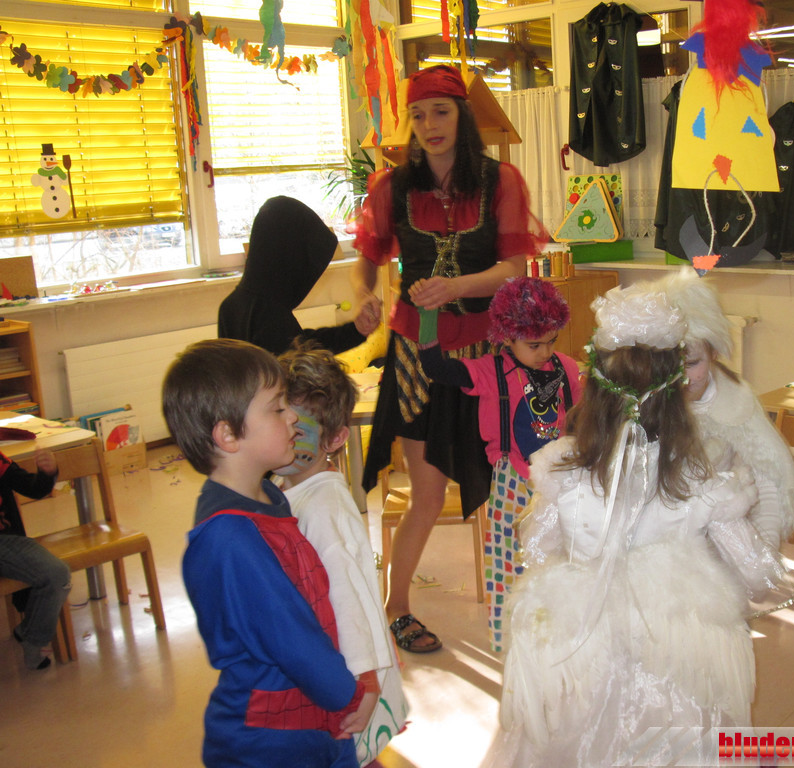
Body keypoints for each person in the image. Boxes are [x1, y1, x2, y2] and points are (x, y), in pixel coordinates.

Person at [484, 280, 788, 767]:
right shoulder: (700, 480)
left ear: (593, 391)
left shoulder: (565, 472)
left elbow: (537, 550)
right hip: (671, 666)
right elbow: (758, 575)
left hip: (584, 657)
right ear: (676, 397)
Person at [350, 64, 547, 652]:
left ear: (461, 116)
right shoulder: (391, 188)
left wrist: (457, 287)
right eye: (418, 114)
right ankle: (396, 608)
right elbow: (366, 262)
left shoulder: (499, 180)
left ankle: (524, 601)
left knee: (509, 486)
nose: (429, 124)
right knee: (428, 494)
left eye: (440, 111)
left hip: (487, 357)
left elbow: (514, 268)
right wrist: (364, 297)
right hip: (416, 358)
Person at [162, 338, 365, 768]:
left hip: (309, 718)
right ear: (228, 435)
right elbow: (291, 638)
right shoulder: (231, 538)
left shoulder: (267, 499)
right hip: (270, 740)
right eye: (277, 408)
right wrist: (350, 695)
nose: (292, 416)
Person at [417, 276, 582, 652]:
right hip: (512, 483)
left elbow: (578, 419)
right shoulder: (490, 371)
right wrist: (428, 316)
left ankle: (560, 637)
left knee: (559, 561)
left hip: (558, 483)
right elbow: (436, 368)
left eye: (551, 341)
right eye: (534, 344)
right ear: (507, 337)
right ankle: (513, 641)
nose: (544, 352)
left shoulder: (567, 369)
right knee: (510, 567)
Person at [275, 342, 409, 765]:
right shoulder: (289, 487)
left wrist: (365, 683)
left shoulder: (323, 510)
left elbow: (349, 599)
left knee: (354, 755)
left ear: (335, 439)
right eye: (276, 419)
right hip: (329, 666)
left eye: (298, 430)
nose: (282, 436)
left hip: (350, 675)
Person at [663, 268, 794, 549]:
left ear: (714, 354)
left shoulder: (736, 402)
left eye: (692, 364)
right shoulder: (651, 400)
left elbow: (770, 479)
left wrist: (762, 553)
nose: (682, 378)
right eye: (670, 365)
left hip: (717, 535)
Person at [218, 195, 374, 356]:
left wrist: (355, 331)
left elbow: (302, 343)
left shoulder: (232, 305)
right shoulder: (270, 316)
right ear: (292, 257)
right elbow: (301, 358)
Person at [0, 447, 68, 670]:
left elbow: (33, 487)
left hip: (6, 542)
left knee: (57, 574)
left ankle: (31, 637)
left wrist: (47, 473)